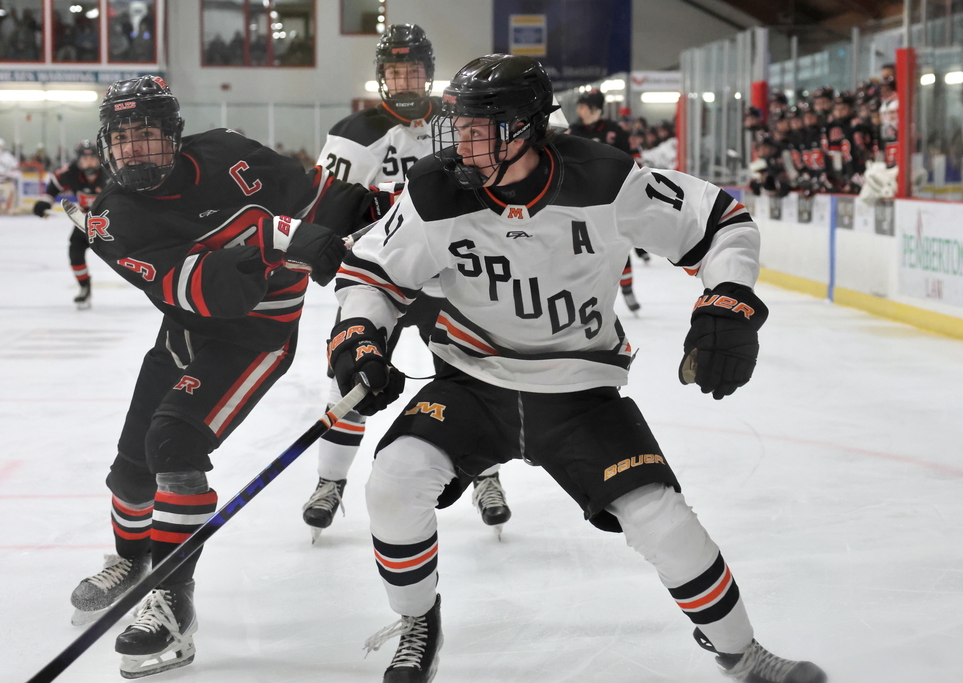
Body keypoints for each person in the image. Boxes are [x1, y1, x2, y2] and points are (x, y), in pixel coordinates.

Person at [329, 54, 827, 683]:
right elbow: (373, 271)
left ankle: (742, 653)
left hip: (580, 394)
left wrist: (728, 301)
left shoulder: (607, 180)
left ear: (529, 128)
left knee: (665, 523)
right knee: (394, 482)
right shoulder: (433, 188)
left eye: (482, 126)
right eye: (459, 122)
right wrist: (359, 337)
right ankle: (418, 622)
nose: (461, 138)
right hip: (471, 383)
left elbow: (722, 222)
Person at [69, 75, 376, 678]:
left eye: (147, 135)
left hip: (256, 339)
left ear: (175, 136)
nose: (133, 149)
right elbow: (217, 290)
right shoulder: (110, 218)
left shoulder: (229, 153)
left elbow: (317, 196)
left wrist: (376, 221)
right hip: (196, 324)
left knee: (174, 441)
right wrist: (279, 235)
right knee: (131, 470)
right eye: (122, 137)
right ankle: (133, 561)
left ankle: (173, 601)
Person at [303, 24, 512, 542]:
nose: (405, 80)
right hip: (383, 272)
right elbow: (327, 202)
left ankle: (486, 476)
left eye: (414, 70)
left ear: (428, 74)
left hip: (450, 274)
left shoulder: (459, 120)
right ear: (381, 76)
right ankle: (330, 482)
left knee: (473, 376)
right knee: (350, 375)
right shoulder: (358, 129)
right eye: (396, 71)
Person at [567, 89, 641, 313]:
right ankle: (585, 295)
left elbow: (635, 161)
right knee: (581, 248)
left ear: (594, 109)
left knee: (618, 243)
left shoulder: (615, 131)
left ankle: (627, 289)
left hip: (612, 197)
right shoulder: (574, 130)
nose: (579, 110)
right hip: (580, 201)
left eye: (583, 106)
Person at [33, 140, 111, 308]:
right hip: (84, 222)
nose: (89, 162)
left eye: (93, 158)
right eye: (85, 158)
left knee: (130, 255)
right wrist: (44, 202)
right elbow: (53, 186)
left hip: (113, 223)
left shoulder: (112, 170)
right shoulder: (70, 172)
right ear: (78, 160)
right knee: (75, 253)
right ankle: (84, 288)